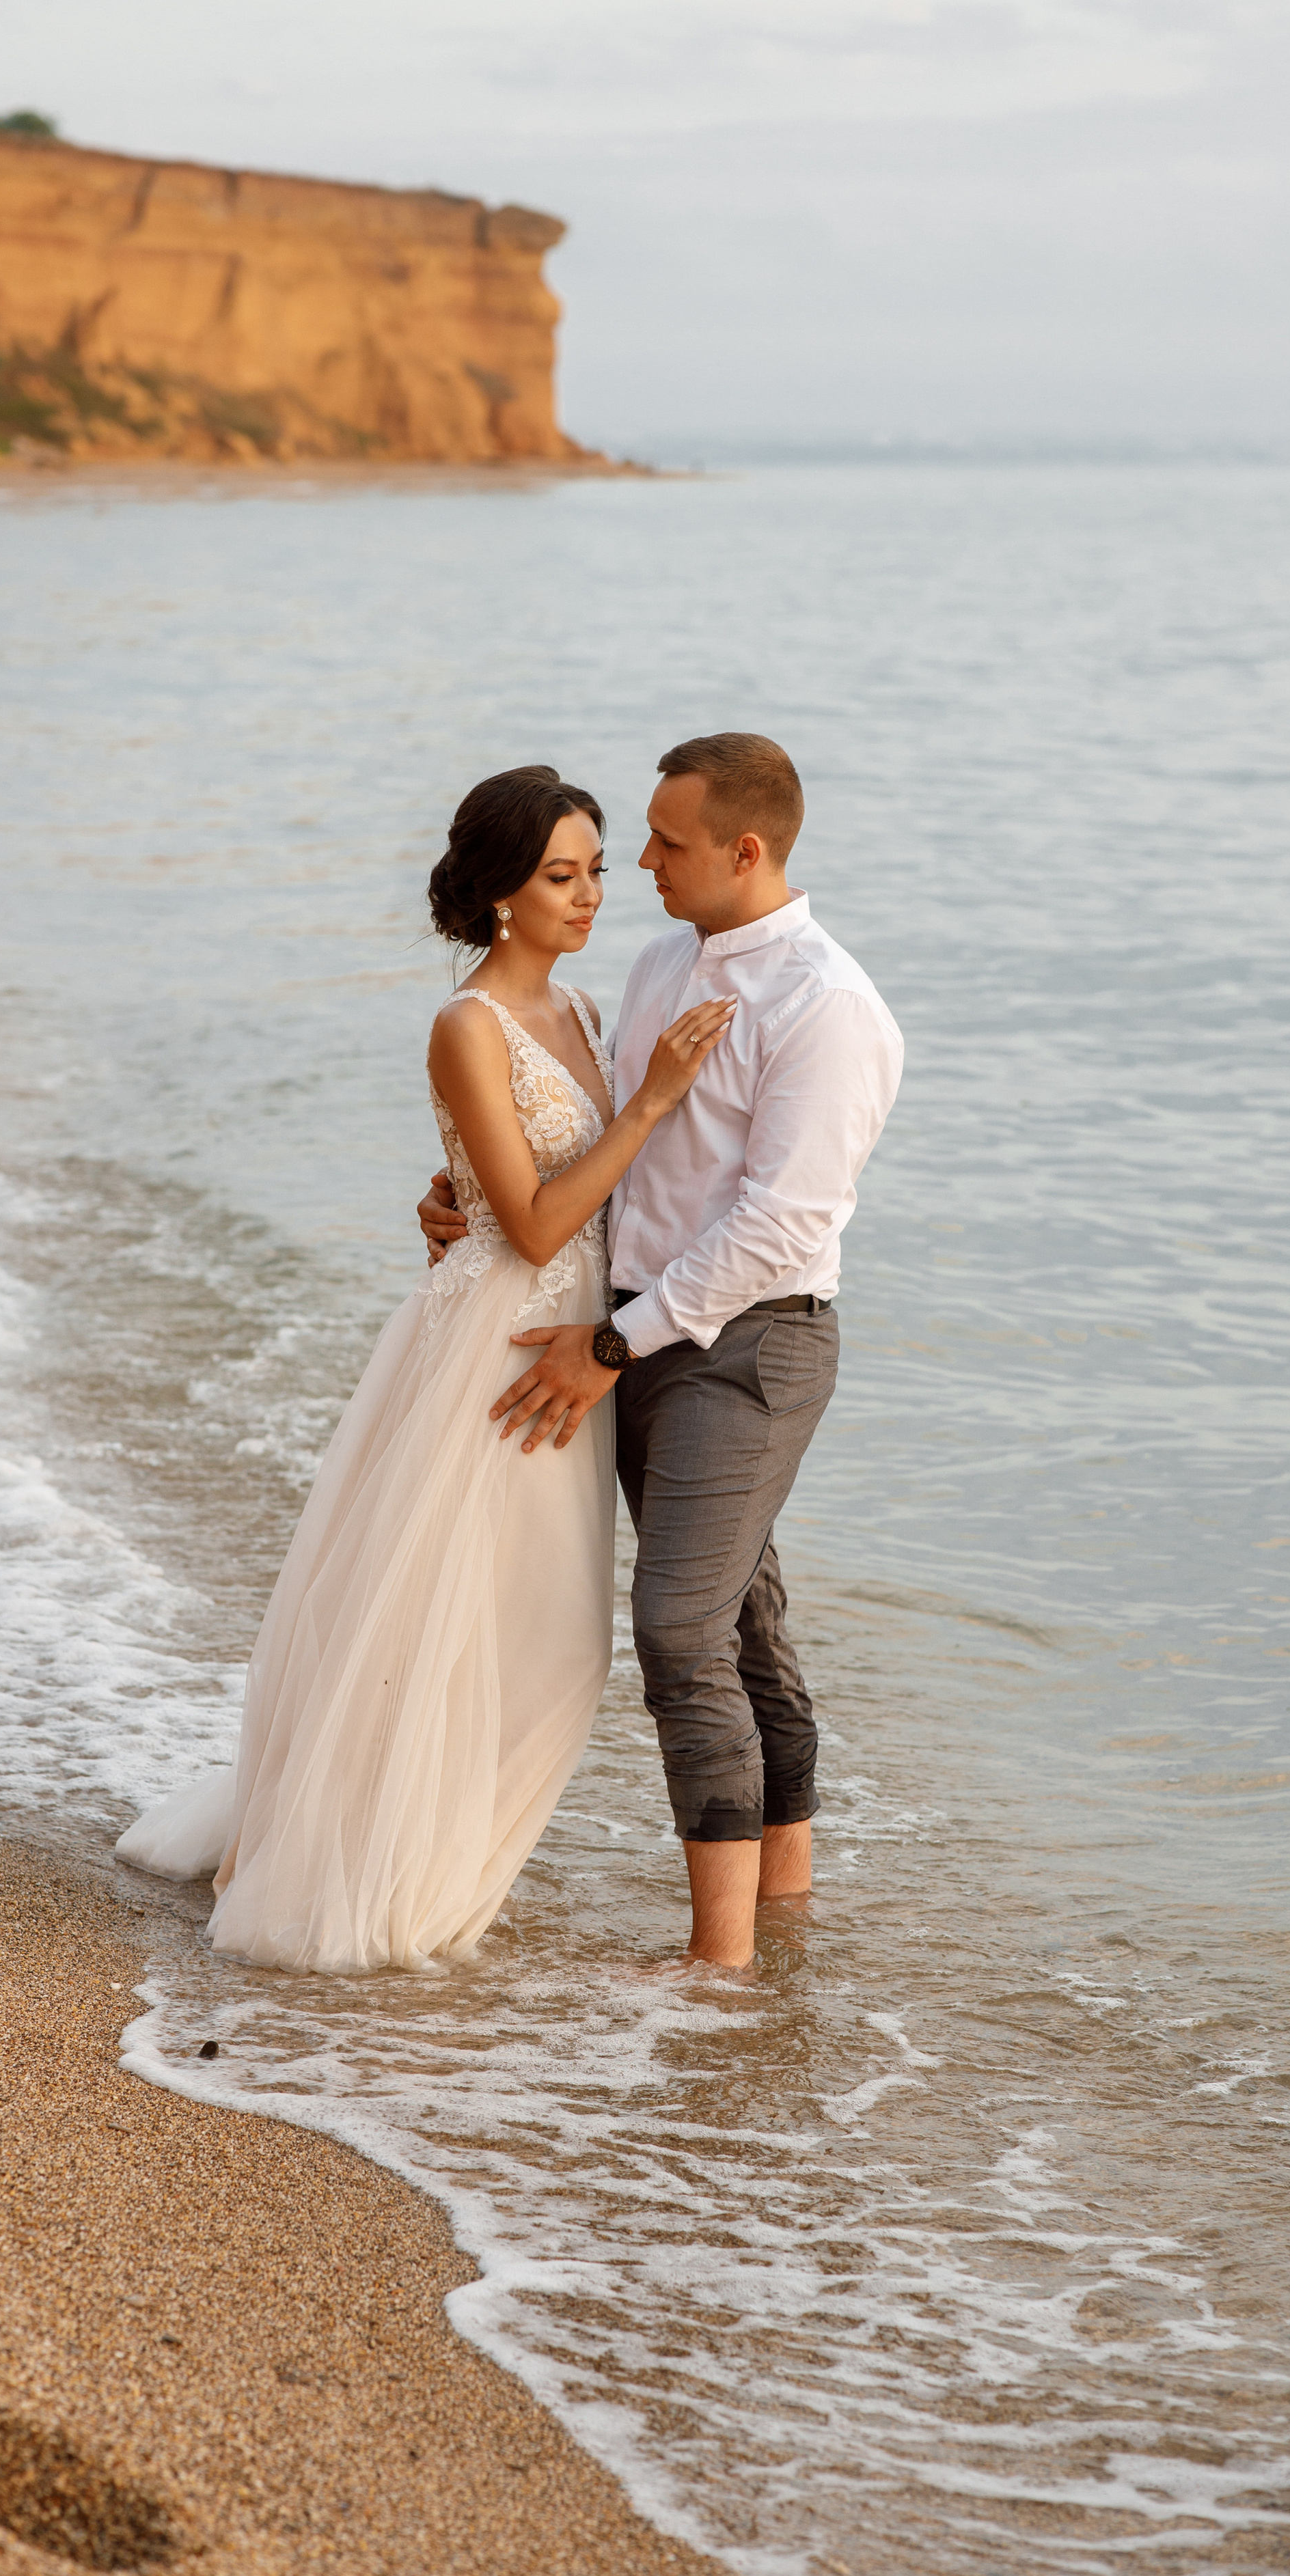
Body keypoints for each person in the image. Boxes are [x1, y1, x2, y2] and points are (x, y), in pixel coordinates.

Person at [114, 763, 733, 1970]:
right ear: (502, 891)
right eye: (563, 875)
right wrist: (654, 1105)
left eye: (599, 869)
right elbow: (540, 1222)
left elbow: (558, 1200)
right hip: (497, 1342)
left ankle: (441, 1851)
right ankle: (384, 1870)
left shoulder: (587, 1016)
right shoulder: (468, 1026)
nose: (592, 894)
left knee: (543, 1633)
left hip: (567, 1341)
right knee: (443, 1615)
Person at [420, 733, 903, 1969]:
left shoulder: (827, 1005)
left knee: (680, 1634)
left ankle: (722, 1966)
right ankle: (782, 1901)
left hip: (744, 1350)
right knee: (740, 1622)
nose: (638, 864)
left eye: (664, 843)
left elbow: (782, 1224)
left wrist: (612, 1346)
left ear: (746, 850)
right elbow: (596, 1151)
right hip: (630, 1329)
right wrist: (466, 1198)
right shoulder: (646, 968)